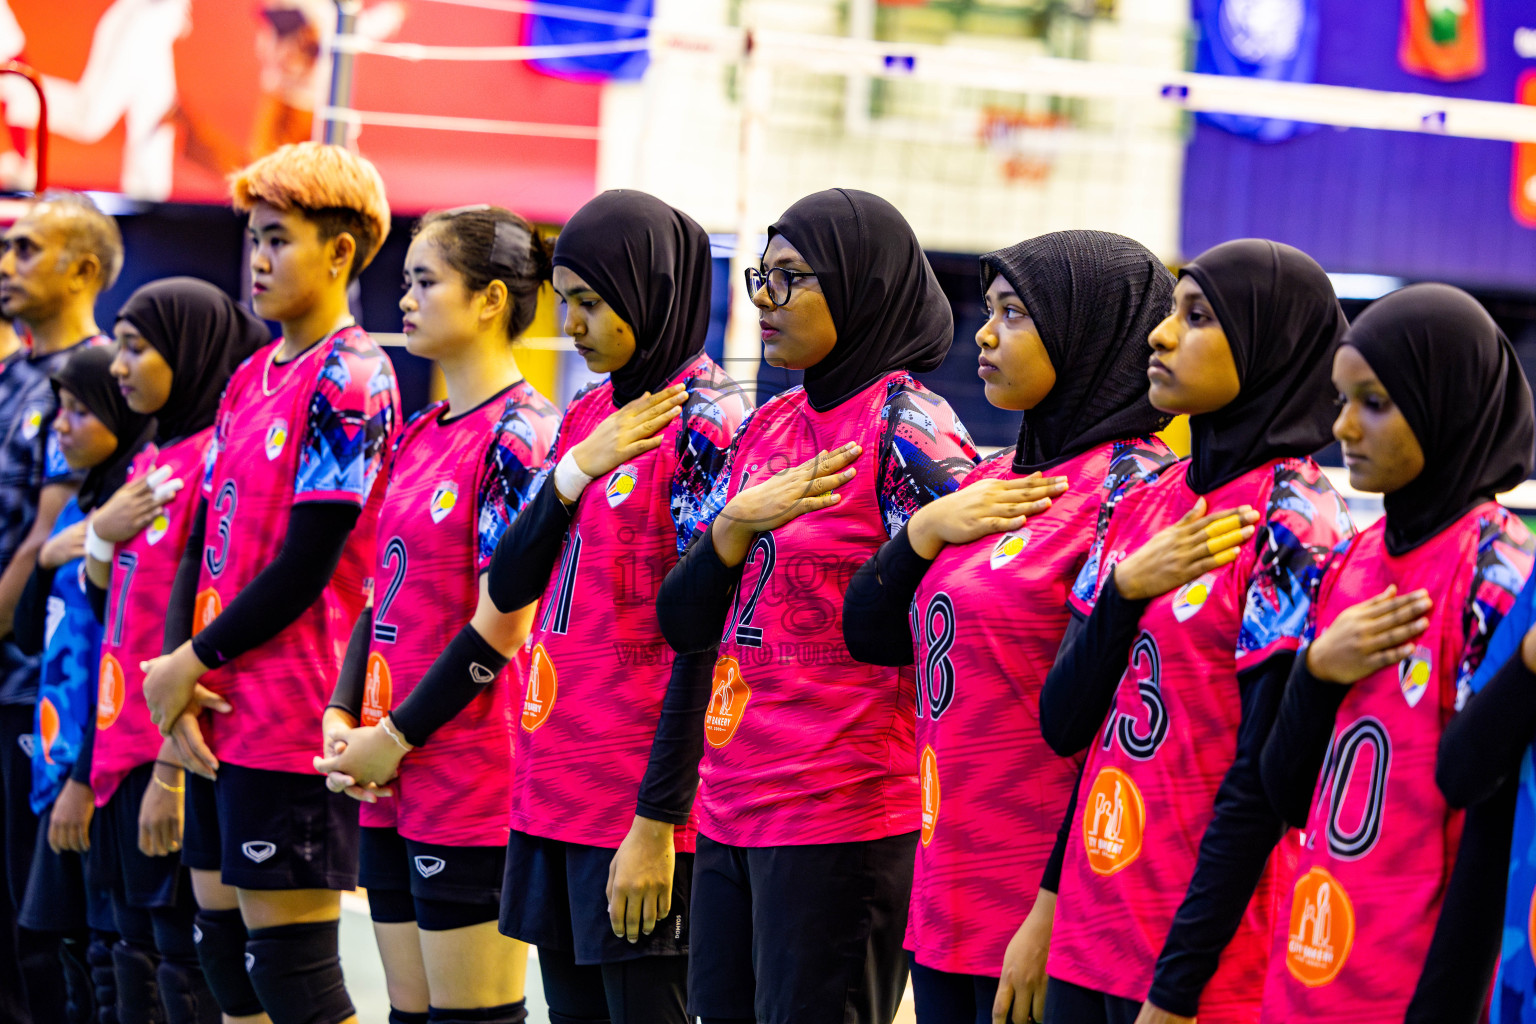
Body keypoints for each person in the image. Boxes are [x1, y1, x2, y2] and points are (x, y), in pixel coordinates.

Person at [656, 187, 979, 1024]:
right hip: (728, 805)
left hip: (840, 814)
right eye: (762, 277)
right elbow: (685, 623)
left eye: (791, 279)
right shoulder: (769, 425)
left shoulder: (911, 428)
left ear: (860, 285)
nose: (765, 300)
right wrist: (733, 524)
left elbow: (947, 632)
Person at [840, 230, 1179, 1024]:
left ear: (1090, 330)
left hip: (1045, 904)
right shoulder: (992, 480)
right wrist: (923, 532)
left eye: (1015, 314)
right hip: (948, 884)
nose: (983, 335)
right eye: (988, 311)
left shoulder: (1135, 490)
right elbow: (874, 638)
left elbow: (1108, 731)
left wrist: (1049, 909)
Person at [1036, 239, 1353, 1024]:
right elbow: (1069, 724)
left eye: (1197, 317)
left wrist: (1179, 987)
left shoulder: (1293, 520)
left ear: (1266, 344)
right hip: (1087, 930)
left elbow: (1261, 786)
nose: (1161, 335)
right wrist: (1124, 592)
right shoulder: (1142, 496)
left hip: (1202, 961)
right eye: (1169, 312)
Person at [472, 189, 750, 1023]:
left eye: (591, 303)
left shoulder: (712, 420)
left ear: (649, 289)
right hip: (553, 788)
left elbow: (706, 635)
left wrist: (660, 818)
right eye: (566, 304)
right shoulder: (589, 415)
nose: (576, 325)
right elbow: (511, 581)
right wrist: (571, 473)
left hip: (636, 804)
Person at [141, 142, 400, 1024]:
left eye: (279, 239)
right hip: (215, 706)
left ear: (340, 251)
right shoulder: (251, 376)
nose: (256, 258)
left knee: (291, 975)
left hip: (289, 715)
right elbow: (199, 545)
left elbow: (311, 563)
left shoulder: (353, 377)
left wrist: (194, 657)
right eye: (253, 236)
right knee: (220, 960)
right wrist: (179, 672)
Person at [1253, 284, 1535, 1022]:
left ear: (1444, 401)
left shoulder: (1498, 570)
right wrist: (1314, 675)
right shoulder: (1351, 556)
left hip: (1409, 986)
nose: (1342, 424)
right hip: (1306, 969)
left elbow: (1486, 820)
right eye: (1342, 398)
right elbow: (1283, 791)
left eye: (1373, 402)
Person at [311, 204, 562, 1024]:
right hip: (392, 771)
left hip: (469, 777)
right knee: (409, 1016)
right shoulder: (421, 431)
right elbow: (378, 594)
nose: (404, 300)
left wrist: (396, 736)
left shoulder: (523, 435)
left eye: (425, 282)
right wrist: (343, 712)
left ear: (490, 300)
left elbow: (507, 625)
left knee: (471, 1019)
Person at [83, 278, 271, 1024]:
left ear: (189, 354)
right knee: (122, 956)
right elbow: (118, 606)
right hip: (113, 743)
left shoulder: (210, 461)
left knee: (180, 965)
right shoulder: (149, 459)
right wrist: (100, 536)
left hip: (168, 751)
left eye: (136, 348)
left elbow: (207, 618)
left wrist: (170, 770)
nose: (119, 366)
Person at [0, 190, 121, 1023]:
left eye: (27, 250)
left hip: (43, 678)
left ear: (82, 269)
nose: (7, 266)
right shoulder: (14, 371)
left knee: (36, 914)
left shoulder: (93, 381)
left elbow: (47, 537)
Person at [15, 345, 147, 1024]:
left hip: (96, 774)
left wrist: (84, 780)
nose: (61, 427)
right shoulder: (83, 509)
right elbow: (41, 635)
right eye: (59, 410)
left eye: (79, 410)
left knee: (106, 961)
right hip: (55, 763)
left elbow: (120, 659)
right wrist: (46, 555)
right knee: (58, 950)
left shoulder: (128, 512)